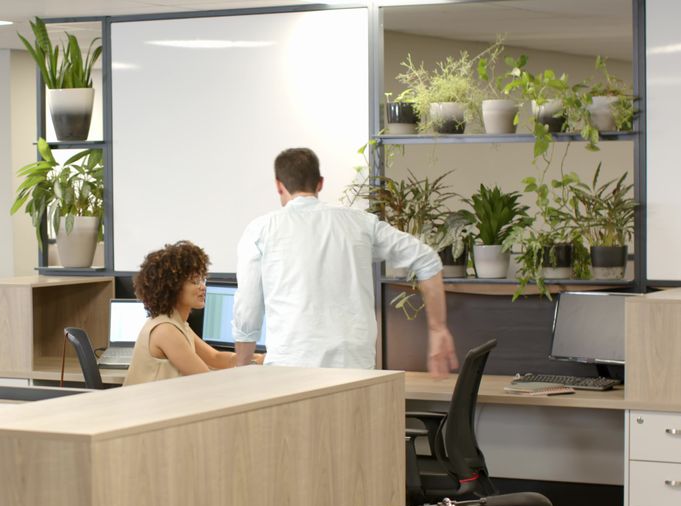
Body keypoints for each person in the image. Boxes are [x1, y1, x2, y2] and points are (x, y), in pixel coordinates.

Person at [233, 147, 458, 377]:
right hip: (353, 369)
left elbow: (248, 309)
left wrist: (242, 368)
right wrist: (438, 328)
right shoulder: (361, 223)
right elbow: (427, 260)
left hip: (289, 367)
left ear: (279, 185)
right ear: (320, 183)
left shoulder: (260, 230)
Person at [125, 240, 262, 386]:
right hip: (148, 408)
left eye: (202, 280)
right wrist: (253, 364)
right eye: (195, 282)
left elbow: (215, 357)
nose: (203, 287)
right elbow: (206, 380)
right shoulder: (166, 330)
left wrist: (257, 358)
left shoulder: (178, 324)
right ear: (173, 287)